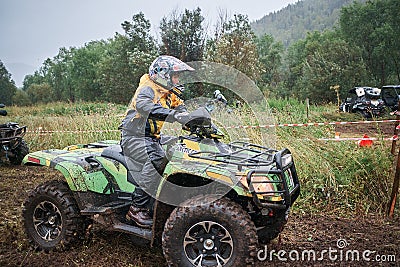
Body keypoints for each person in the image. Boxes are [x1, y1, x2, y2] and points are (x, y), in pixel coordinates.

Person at [119, 55, 194, 228]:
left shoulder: (168, 92)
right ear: (163, 74)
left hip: (153, 138)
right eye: (176, 76)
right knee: (157, 159)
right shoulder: (148, 88)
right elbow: (143, 105)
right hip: (133, 137)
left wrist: (191, 120)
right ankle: (137, 207)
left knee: (181, 147)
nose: (178, 79)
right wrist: (173, 115)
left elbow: (180, 107)